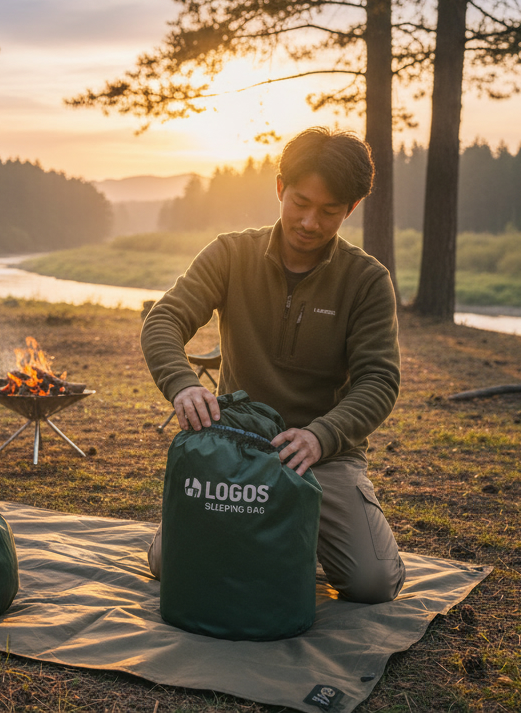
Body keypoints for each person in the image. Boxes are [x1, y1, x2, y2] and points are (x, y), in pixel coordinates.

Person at [141, 127, 405, 604]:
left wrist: (322, 436)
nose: (309, 221)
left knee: (373, 583)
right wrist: (182, 385)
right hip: (237, 444)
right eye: (300, 202)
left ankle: (278, 538)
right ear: (280, 187)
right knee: (166, 565)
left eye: (329, 211)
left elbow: (379, 380)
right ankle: (272, 540)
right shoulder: (230, 253)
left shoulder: (367, 280)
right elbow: (164, 320)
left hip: (320, 453)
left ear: (350, 209)